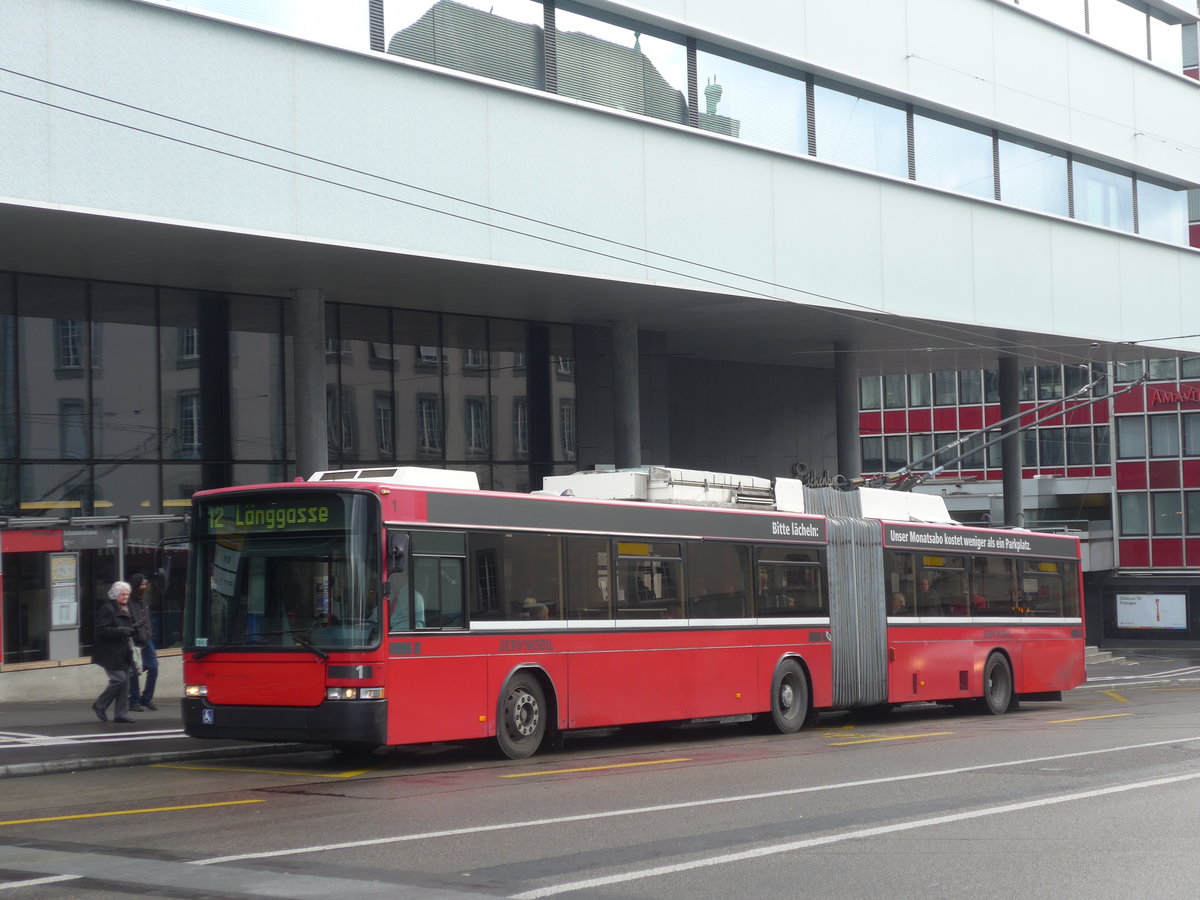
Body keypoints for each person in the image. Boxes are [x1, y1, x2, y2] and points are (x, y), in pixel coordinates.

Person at [91, 581, 137, 723]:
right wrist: (121, 630)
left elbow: (125, 627)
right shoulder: (108, 608)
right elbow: (102, 630)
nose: (125, 597)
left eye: (127, 594)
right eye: (122, 594)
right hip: (109, 652)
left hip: (122, 651)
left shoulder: (125, 608)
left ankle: (121, 714)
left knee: (125, 682)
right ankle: (100, 705)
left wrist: (132, 629)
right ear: (115, 595)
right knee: (119, 679)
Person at [127, 574, 158, 712]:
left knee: (154, 667)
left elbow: (146, 618)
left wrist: (149, 632)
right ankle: (134, 701)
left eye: (145, 584)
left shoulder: (144, 600)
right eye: (142, 585)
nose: (144, 587)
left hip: (146, 638)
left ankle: (146, 698)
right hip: (135, 640)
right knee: (135, 671)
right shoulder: (129, 602)